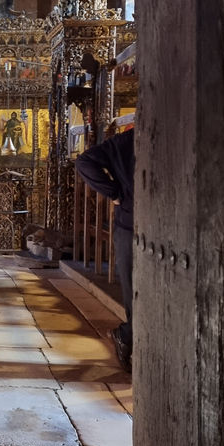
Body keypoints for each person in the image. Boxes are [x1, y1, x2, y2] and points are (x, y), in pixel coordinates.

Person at [74, 127, 135, 372]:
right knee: (135, 291)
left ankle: (129, 337)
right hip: (131, 225)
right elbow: (84, 161)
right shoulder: (127, 140)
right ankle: (127, 336)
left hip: (156, 225)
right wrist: (115, 193)